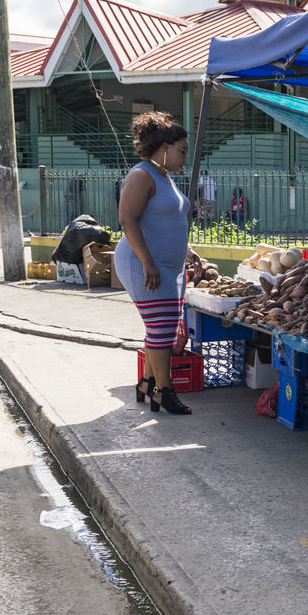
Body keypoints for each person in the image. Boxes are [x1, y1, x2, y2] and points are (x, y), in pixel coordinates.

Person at [113, 112, 193, 415]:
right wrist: (147, 262)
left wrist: (188, 251)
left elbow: (169, 221)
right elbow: (127, 220)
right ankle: (164, 390)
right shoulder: (141, 175)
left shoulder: (163, 177)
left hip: (167, 264)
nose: (184, 158)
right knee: (161, 330)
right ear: (164, 149)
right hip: (143, 263)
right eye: (182, 151)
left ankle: (147, 382)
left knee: (162, 329)